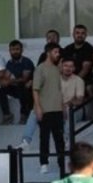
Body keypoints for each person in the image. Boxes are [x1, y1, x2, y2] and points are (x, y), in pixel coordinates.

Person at [33, 42, 66, 175]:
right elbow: (35, 89)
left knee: (59, 138)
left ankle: (61, 161)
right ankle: (44, 163)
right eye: (55, 52)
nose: (58, 55)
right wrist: (38, 108)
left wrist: (63, 106)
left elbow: (60, 90)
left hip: (57, 109)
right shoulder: (40, 69)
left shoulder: (57, 69)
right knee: (44, 138)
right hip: (45, 109)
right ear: (48, 53)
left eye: (58, 52)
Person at [1, 40, 35, 124]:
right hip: (17, 86)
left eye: (17, 49)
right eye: (12, 49)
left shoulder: (26, 61)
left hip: (29, 88)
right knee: (1, 88)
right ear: (9, 51)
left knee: (22, 86)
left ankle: (24, 115)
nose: (15, 52)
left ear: (21, 50)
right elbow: (6, 77)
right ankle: (7, 114)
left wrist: (9, 81)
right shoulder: (10, 63)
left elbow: (24, 79)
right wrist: (3, 82)